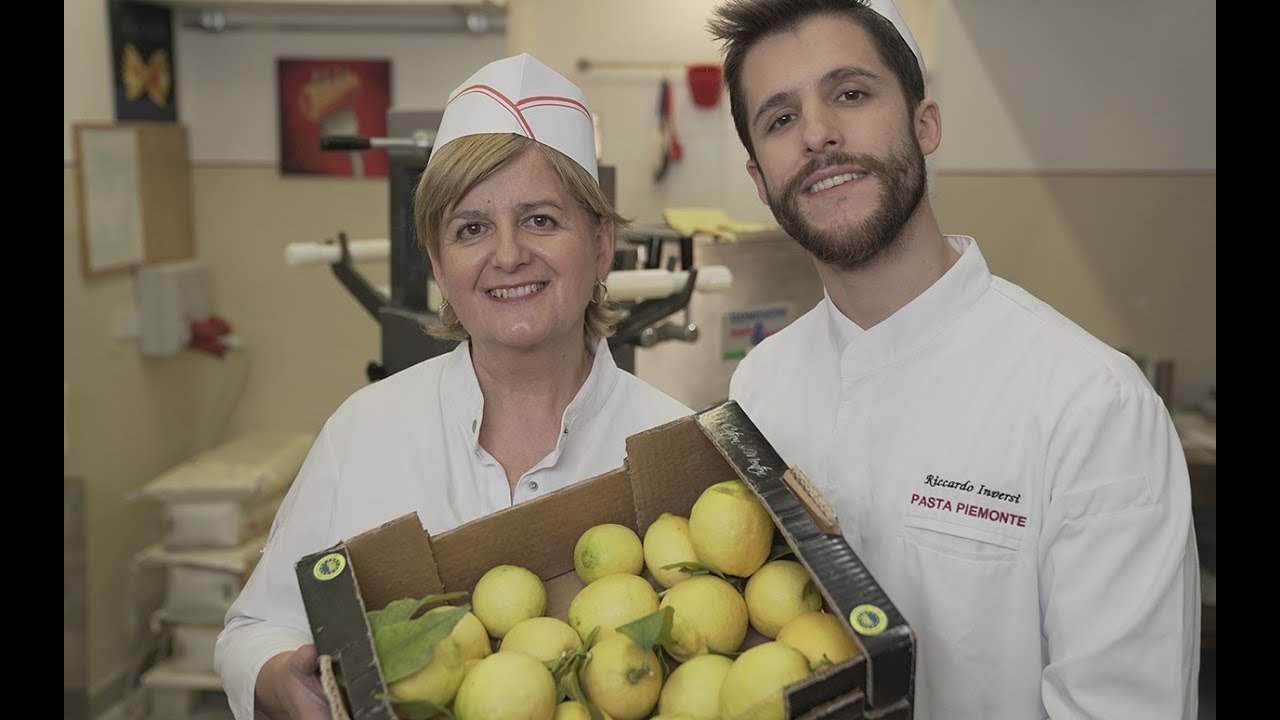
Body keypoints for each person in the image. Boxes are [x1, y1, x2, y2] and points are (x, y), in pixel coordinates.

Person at [707, 1, 1201, 718]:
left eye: (850, 94)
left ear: (925, 123)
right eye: (780, 119)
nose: (817, 135)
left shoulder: (1088, 405)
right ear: (759, 179)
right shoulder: (759, 386)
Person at [214, 53, 691, 720]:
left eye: (541, 219)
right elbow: (252, 629)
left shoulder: (675, 447)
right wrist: (277, 679)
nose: (507, 254)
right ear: (439, 264)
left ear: (603, 242)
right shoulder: (365, 429)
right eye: (471, 228)